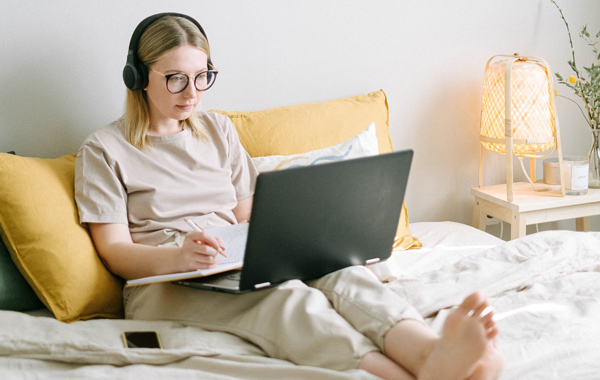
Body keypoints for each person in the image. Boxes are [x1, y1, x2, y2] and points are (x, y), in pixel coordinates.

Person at [74, 13, 504, 380]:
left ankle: (430, 352)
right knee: (289, 299)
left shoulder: (218, 130)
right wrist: (179, 258)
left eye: (203, 76)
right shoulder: (104, 149)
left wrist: (303, 239)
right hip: (161, 281)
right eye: (176, 79)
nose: (193, 93)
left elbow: (248, 214)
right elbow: (114, 250)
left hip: (231, 256)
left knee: (342, 274)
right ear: (137, 78)